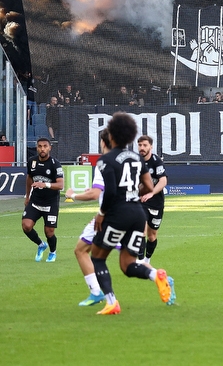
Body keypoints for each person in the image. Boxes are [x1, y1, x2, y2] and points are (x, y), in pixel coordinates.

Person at [89, 112, 175, 315]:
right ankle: (157, 276)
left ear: (111, 137)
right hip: (138, 213)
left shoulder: (105, 160)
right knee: (128, 265)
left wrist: (102, 213)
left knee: (98, 257)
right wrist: (134, 196)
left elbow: (109, 192)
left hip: (118, 213)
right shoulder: (136, 158)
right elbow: (148, 185)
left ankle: (111, 302)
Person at [65, 129, 112, 306]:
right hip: (128, 214)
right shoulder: (127, 160)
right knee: (129, 260)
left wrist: (73, 195)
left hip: (107, 216)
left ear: (103, 142)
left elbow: (94, 194)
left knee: (81, 251)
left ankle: (98, 293)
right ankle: (97, 293)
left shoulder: (103, 163)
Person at [22, 138, 64, 262]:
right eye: (40, 146)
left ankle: (52, 252)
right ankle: (41, 244)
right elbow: (29, 178)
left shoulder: (55, 164)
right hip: (35, 201)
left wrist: (45, 185)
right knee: (26, 226)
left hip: (50, 203)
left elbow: (60, 185)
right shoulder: (32, 162)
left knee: (49, 232)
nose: (42, 149)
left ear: (50, 148)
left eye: (45, 146)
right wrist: (28, 196)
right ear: (37, 148)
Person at [137, 135, 168, 263]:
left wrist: (152, 193)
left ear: (151, 146)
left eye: (145, 145)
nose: (142, 148)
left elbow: (163, 180)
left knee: (152, 235)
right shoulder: (134, 161)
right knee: (140, 231)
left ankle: (147, 260)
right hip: (140, 201)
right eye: (140, 145)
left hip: (156, 203)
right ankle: (139, 262)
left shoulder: (156, 162)